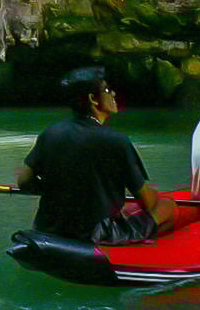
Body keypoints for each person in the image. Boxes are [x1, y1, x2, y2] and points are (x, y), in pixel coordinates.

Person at [14, 67, 177, 243]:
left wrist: (58, 189)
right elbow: (147, 202)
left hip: (46, 227)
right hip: (97, 235)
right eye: (107, 90)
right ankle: (134, 252)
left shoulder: (50, 133)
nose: (113, 94)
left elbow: (23, 181)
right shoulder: (117, 141)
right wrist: (154, 195)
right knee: (168, 207)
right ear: (93, 99)